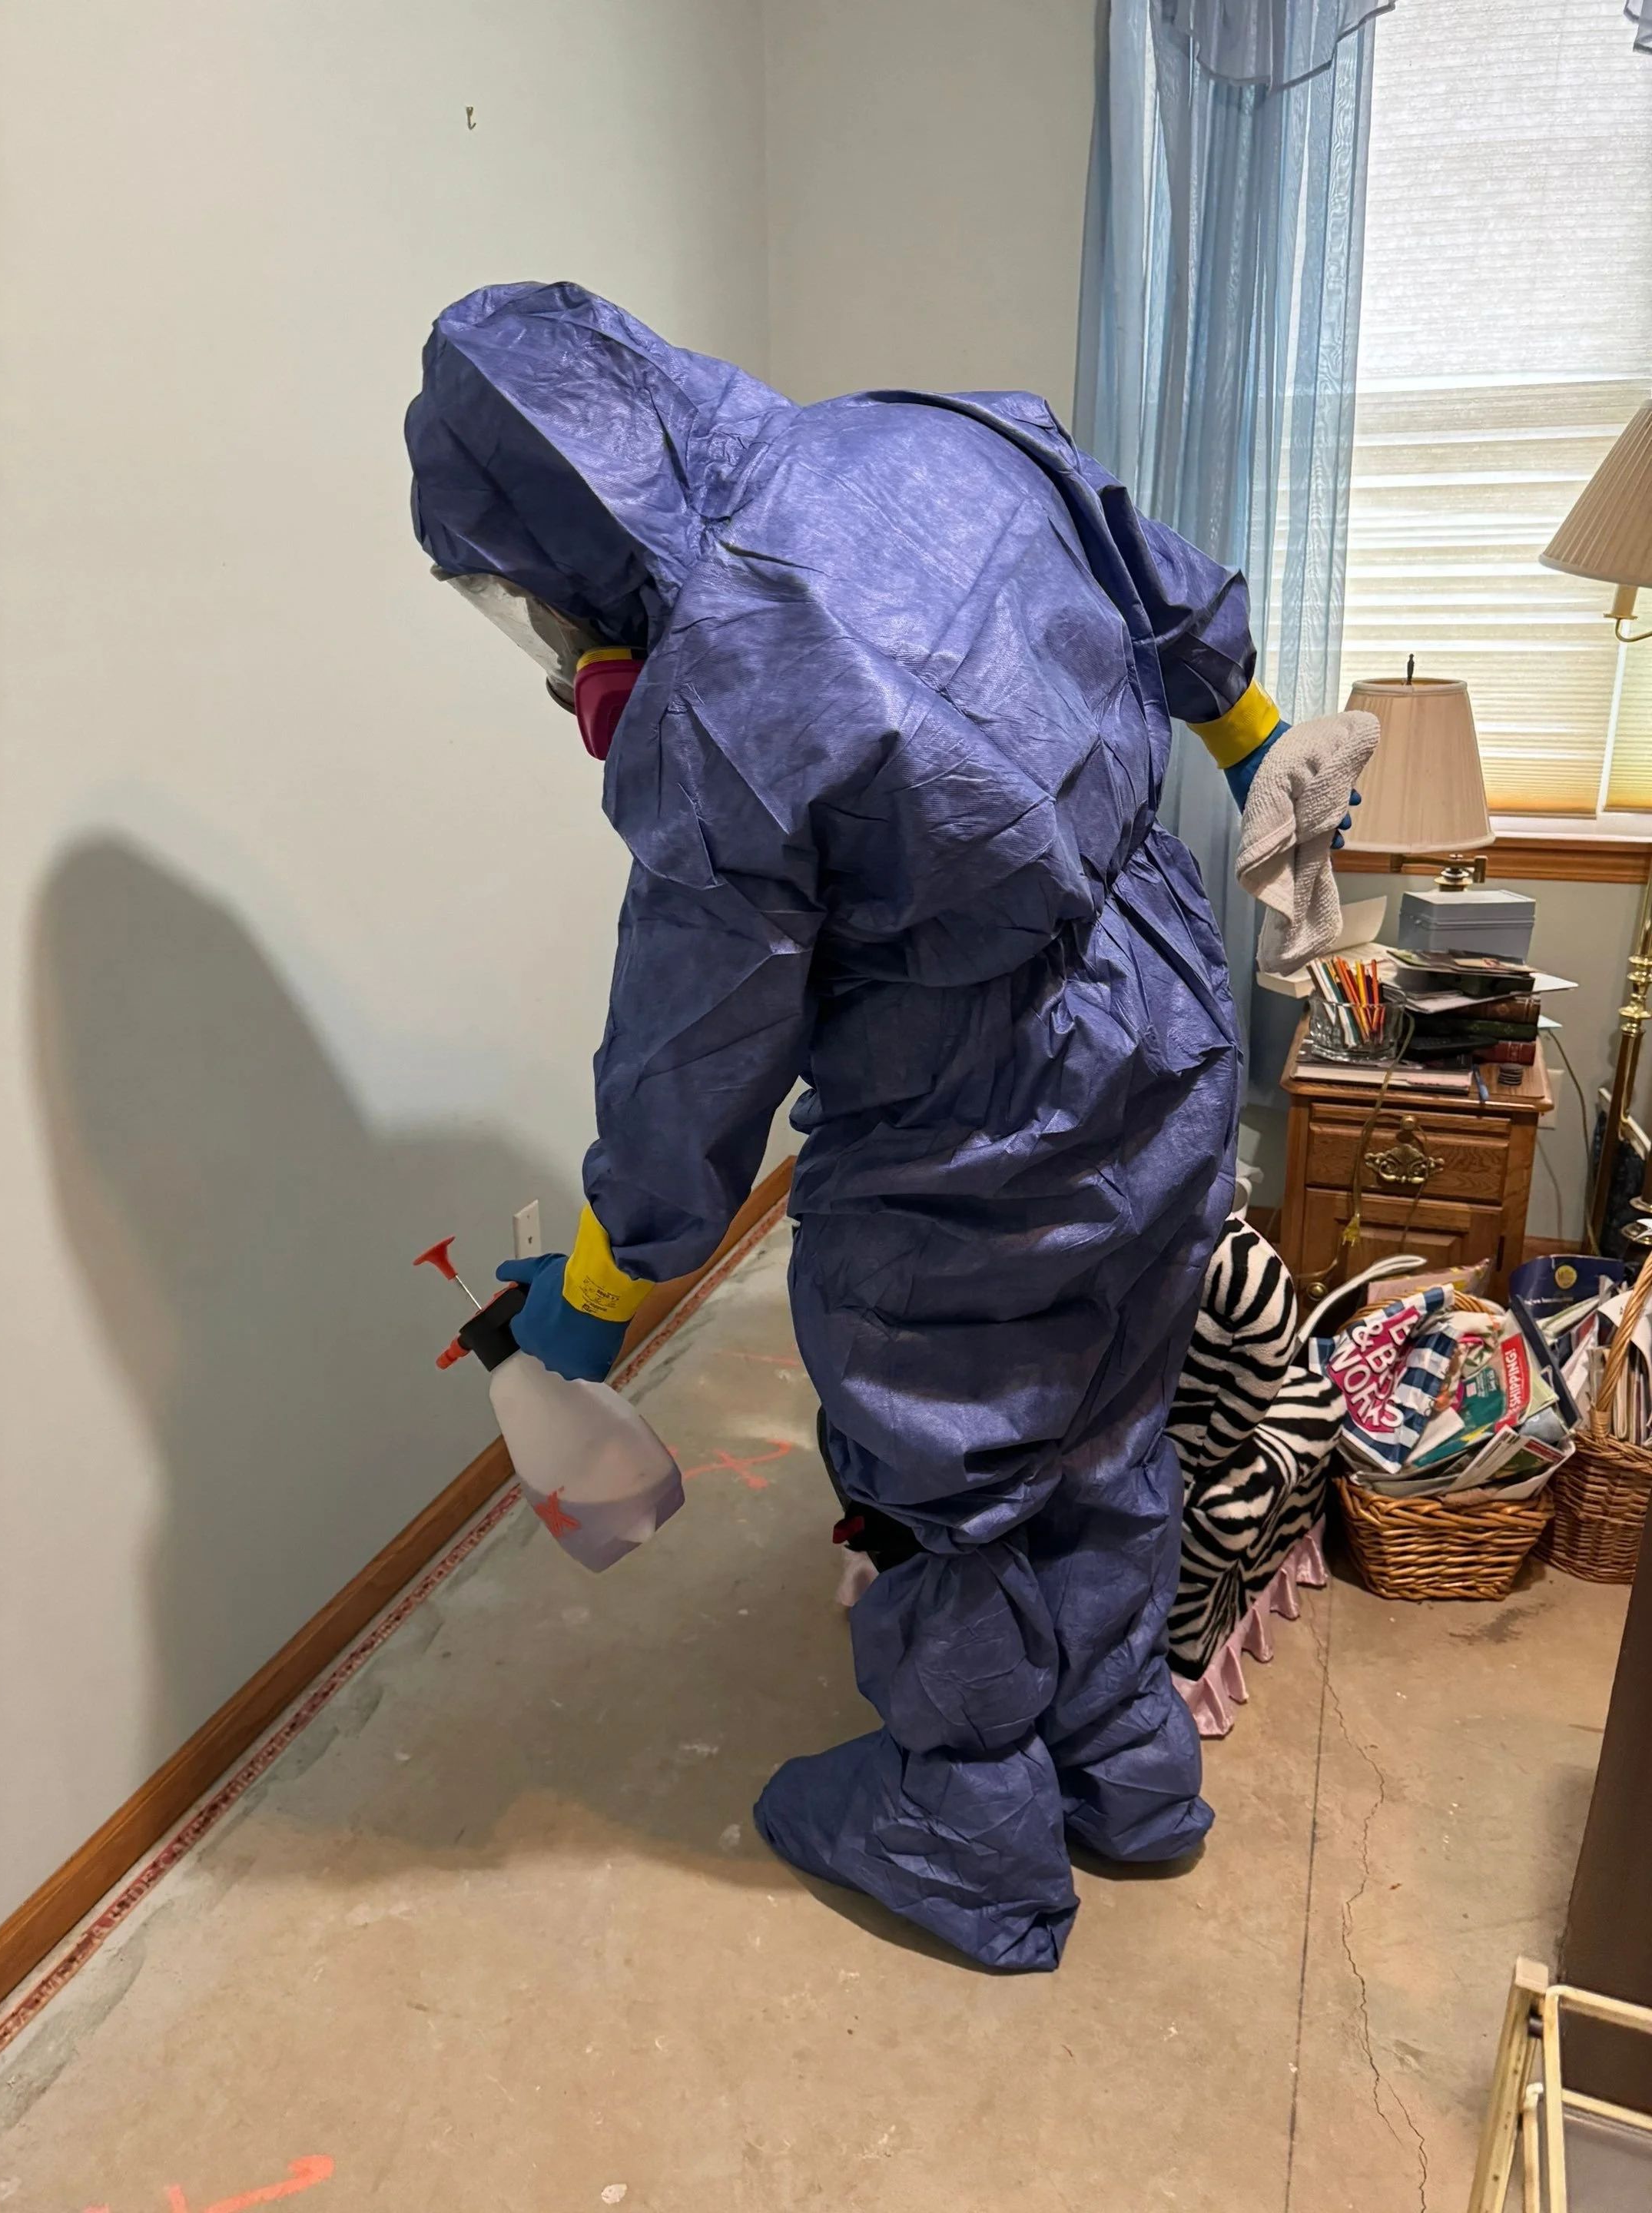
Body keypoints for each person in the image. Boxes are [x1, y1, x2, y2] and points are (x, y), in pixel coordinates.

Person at [406, 281, 1370, 1972]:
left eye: (531, 601)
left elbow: (690, 1069)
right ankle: (1130, 1768)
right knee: (1107, 1408)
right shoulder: (943, 425)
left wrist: (593, 1301)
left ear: (564, 539)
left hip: (975, 1111)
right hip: (1162, 1013)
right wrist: (1262, 743)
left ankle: (968, 1829)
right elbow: (1164, 587)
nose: (555, 644)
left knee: (951, 1468)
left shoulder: (715, 703)